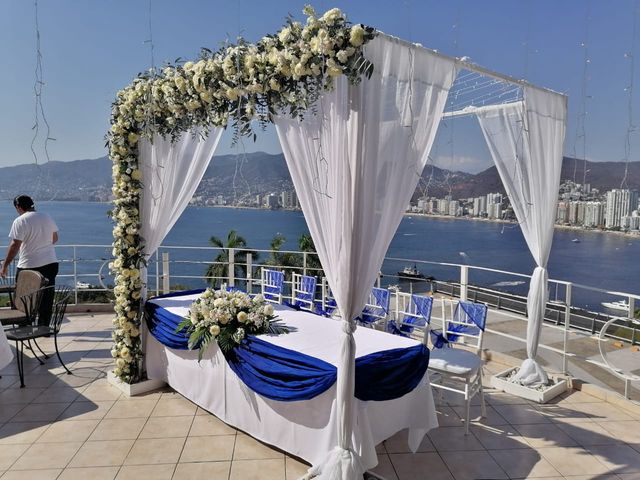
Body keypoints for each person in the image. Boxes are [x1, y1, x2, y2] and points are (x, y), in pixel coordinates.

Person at [0, 195, 59, 325]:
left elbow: (15, 245)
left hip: (29, 265)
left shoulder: (20, 221)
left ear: (18, 207)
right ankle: (44, 328)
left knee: (23, 298)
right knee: (46, 298)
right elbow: (54, 238)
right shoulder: (46, 216)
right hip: (50, 262)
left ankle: (24, 327)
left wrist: (4, 265)